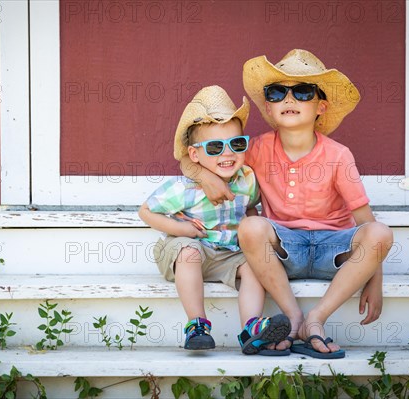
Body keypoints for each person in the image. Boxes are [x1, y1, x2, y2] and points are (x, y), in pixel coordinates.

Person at [180, 50, 393, 359]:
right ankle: (293, 318)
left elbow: (365, 222)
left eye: (302, 91)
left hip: (333, 251)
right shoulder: (256, 149)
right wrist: (206, 175)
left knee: (381, 233)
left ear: (320, 107)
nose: (288, 100)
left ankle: (315, 320)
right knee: (251, 225)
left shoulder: (338, 155)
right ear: (268, 106)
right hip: (283, 250)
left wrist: (375, 280)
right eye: (277, 92)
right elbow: (195, 159)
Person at [139, 85, 291, 353]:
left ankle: (251, 328)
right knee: (189, 253)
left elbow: (251, 211)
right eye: (215, 147)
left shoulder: (247, 180)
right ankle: (196, 324)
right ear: (194, 155)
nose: (227, 153)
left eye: (237, 144)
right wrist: (181, 229)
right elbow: (146, 212)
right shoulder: (183, 187)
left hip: (229, 253)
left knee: (255, 266)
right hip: (187, 249)